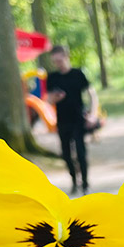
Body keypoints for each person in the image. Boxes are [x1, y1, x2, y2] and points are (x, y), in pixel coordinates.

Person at [46, 45, 98, 194]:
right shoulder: (52, 77)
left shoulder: (78, 74)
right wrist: (55, 98)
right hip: (62, 121)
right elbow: (48, 100)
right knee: (66, 154)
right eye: (54, 61)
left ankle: (85, 183)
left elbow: (92, 94)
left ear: (67, 56)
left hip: (78, 119)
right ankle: (75, 181)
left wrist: (93, 114)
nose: (58, 64)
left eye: (60, 60)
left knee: (81, 152)